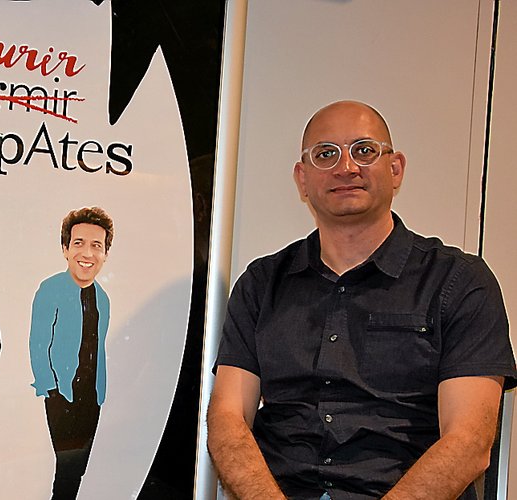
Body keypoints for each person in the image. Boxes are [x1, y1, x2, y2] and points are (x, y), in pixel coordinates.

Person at [207, 100, 517, 500]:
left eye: (364, 150)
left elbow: (469, 442)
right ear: (302, 179)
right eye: (326, 154)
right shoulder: (261, 284)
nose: (346, 167)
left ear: (395, 168)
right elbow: (228, 419)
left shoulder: (459, 282)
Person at [29, 207, 113, 499]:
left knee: (77, 470)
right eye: (79, 243)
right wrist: (51, 389)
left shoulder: (103, 298)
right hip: (61, 394)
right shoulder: (50, 289)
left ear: (105, 254)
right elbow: (38, 343)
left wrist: (100, 393)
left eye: (96, 245)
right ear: (65, 249)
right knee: (67, 466)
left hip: (92, 396)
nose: (87, 253)